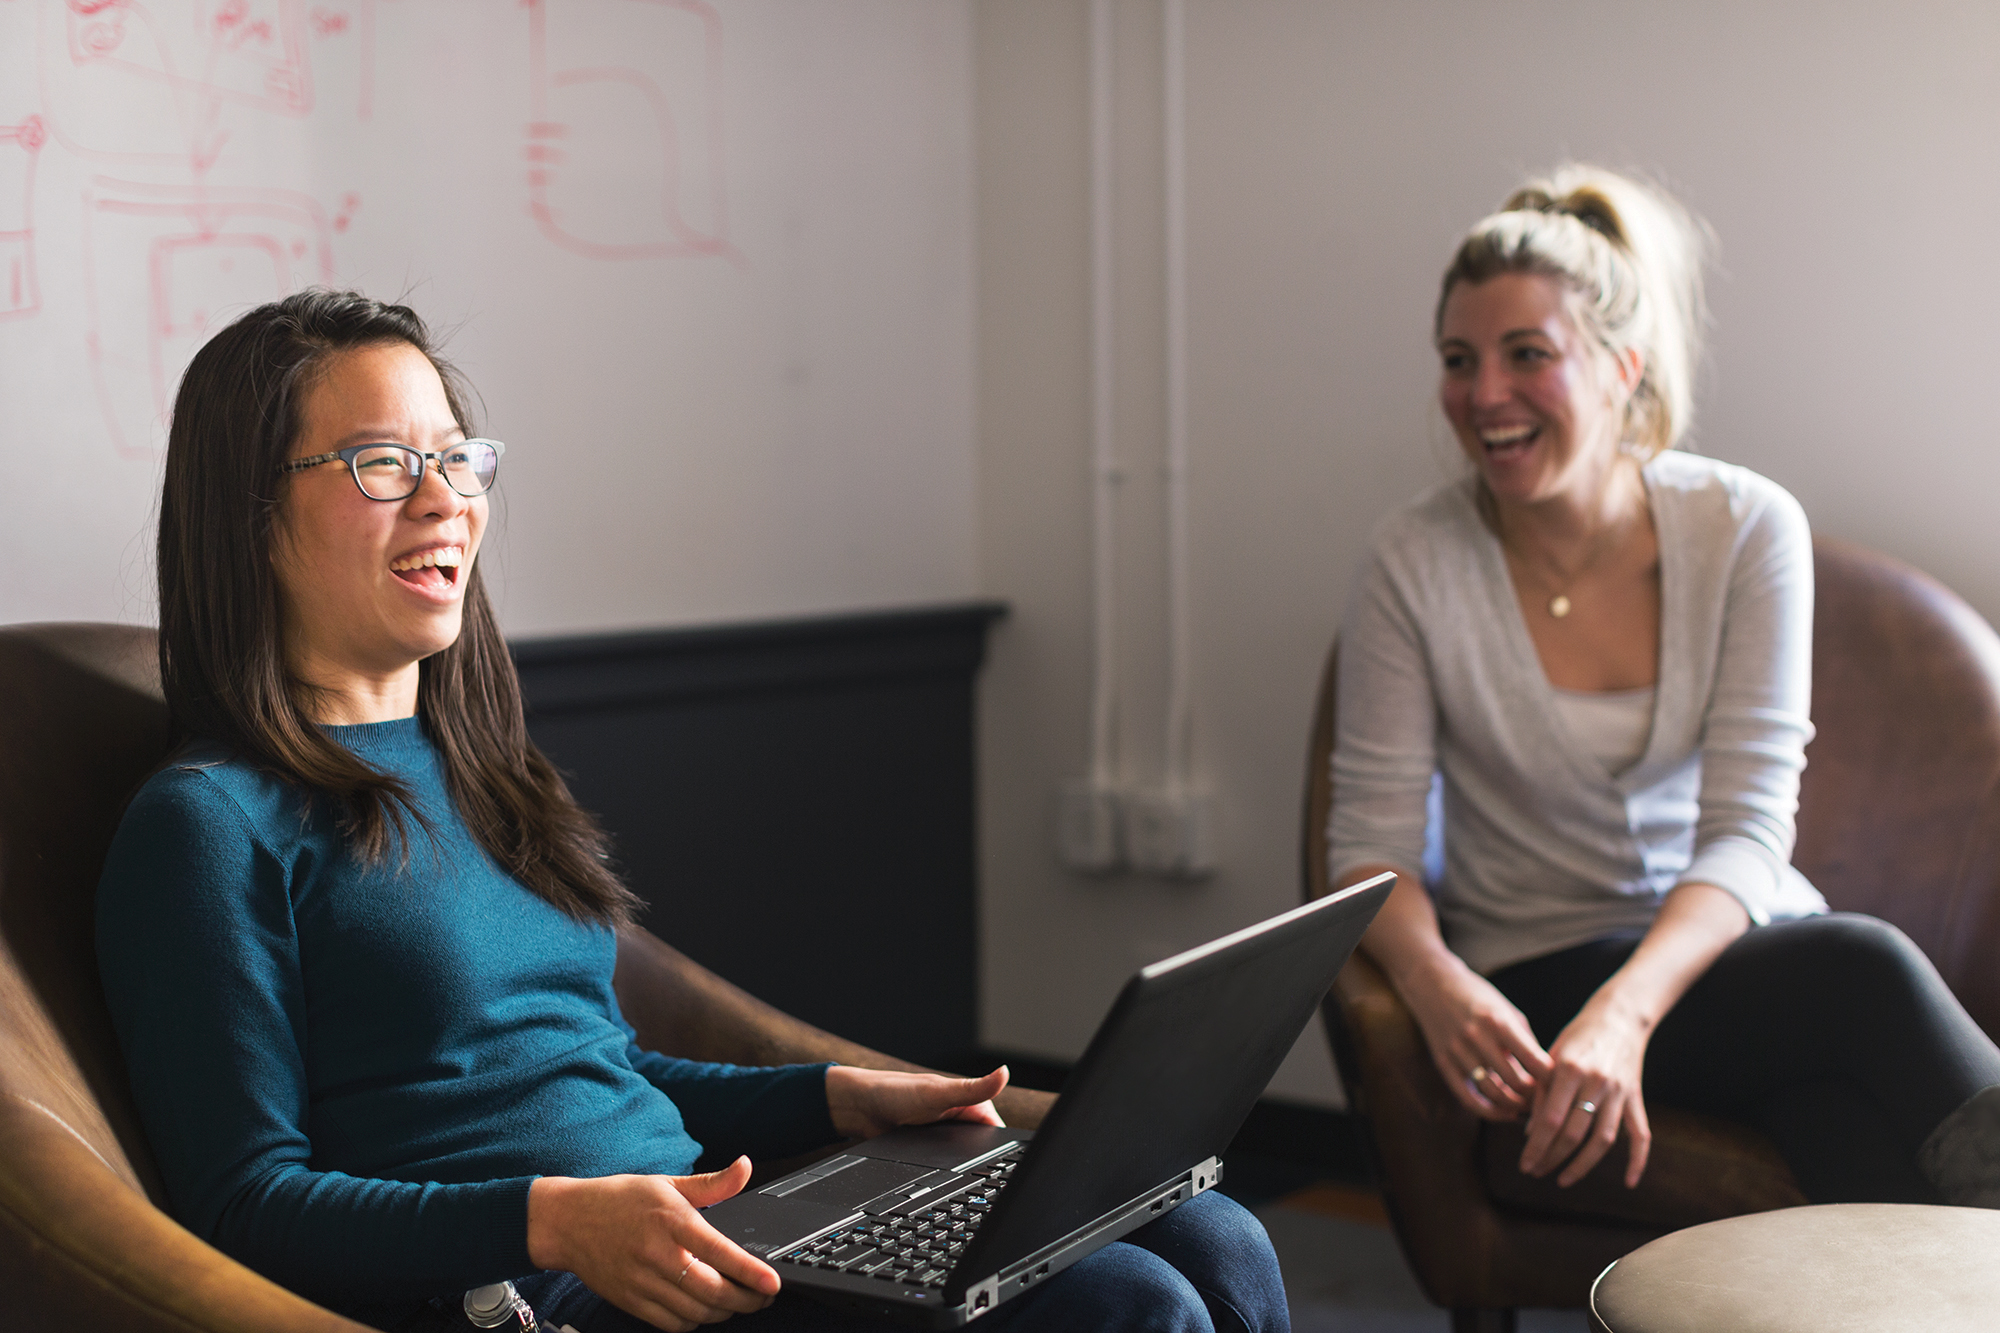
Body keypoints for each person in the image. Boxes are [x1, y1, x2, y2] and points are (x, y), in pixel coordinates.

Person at [96, 290, 1289, 1333]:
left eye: (458, 458)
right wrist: (558, 1225)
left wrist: (832, 1099)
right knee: (1134, 1309)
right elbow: (245, 1204)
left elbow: (593, 1071)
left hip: (712, 1232)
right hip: (546, 1296)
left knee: (1217, 1237)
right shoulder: (208, 824)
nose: (443, 500)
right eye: (381, 464)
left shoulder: (472, 762)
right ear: (249, 516)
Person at [1326, 165, 2000, 1208]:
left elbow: (1745, 831)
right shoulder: (1411, 561)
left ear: (1619, 368)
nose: (1482, 394)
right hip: (1534, 972)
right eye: (1458, 360)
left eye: (1526, 355)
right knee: (1863, 971)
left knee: (1845, 1134)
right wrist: (1438, 987)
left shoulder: (1742, 528)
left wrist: (1625, 1015)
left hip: (1725, 955)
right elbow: (1367, 849)